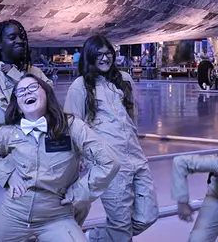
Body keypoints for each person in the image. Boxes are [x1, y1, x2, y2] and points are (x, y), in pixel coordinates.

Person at [0, 74, 119, 241]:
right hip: (13, 214)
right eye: (20, 91)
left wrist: (79, 193)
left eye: (32, 87)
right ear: (17, 103)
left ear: (46, 93)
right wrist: (8, 175)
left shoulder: (71, 126)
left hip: (56, 216)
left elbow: (109, 162)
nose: (26, 93)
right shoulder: (9, 132)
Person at [65, 35, 159, 240]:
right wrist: (79, 158)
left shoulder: (124, 80)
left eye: (108, 53)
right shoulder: (80, 86)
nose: (105, 58)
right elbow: (72, 125)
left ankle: (93, 238)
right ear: (89, 57)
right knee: (121, 226)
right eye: (98, 55)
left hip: (136, 156)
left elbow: (131, 117)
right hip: (109, 164)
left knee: (148, 215)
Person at [0, 20, 52, 131]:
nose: (20, 41)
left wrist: (17, 76)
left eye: (21, 37)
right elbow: (3, 117)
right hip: (12, 143)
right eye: (12, 37)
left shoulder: (35, 71)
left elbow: (52, 101)